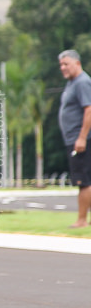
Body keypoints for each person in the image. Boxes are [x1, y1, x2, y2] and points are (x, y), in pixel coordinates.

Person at [58, 49, 91, 227]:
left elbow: (89, 109)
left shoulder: (82, 82)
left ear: (77, 63)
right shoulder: (72, 83)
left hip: (80, 140)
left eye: (66, 64)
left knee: (83, 181)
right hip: (73, 138)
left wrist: (82, 138)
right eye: (61, 65)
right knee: (85, 180)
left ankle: (81, 220)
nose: (63, 68)